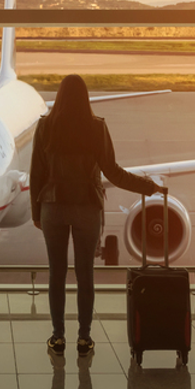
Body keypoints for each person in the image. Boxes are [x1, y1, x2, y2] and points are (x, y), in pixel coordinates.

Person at [30, 74, 166, 355]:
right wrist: (148, 186)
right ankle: (84, 338)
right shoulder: (96, 127)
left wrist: (36, 213)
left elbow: (36, 175)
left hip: (52, 207)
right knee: (85, 275)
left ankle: (57, 337)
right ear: (85, 98)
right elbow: (113, 172)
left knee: (56, 275)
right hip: (86, 207)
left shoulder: (45, 127)